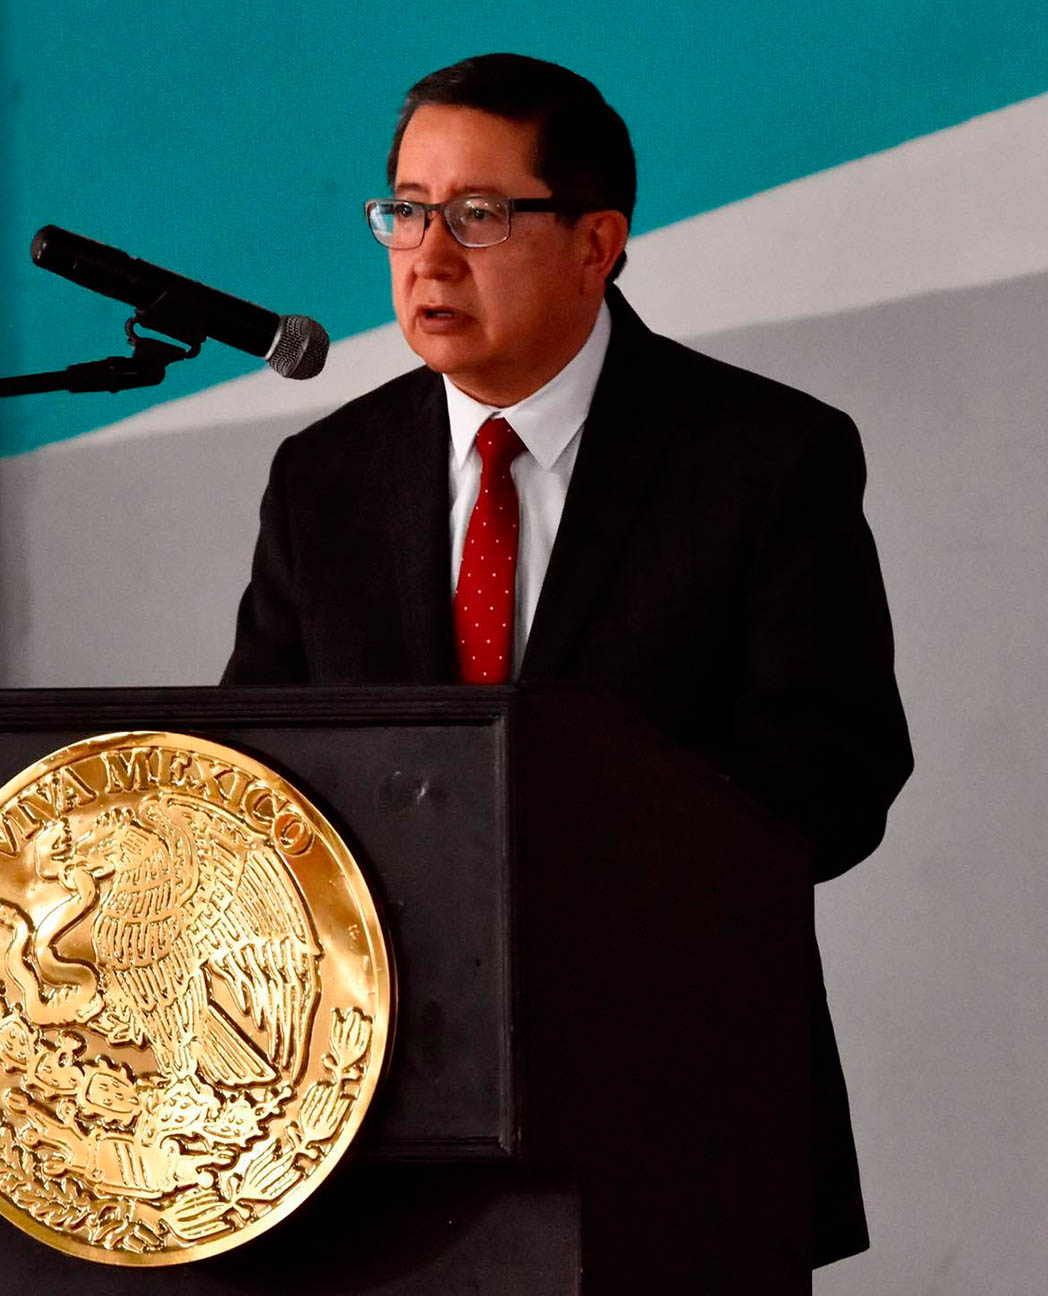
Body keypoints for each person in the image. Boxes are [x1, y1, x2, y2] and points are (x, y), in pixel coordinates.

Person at [224, 52, 912, 1273]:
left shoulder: (763, 458)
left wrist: (584, 862)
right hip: (375, 1129)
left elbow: (835, 777)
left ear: (597, 243)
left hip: (678, 1109)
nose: (428, 257)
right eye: (405, 211)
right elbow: (254, 774)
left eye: (479, 216)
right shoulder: (325, 478)